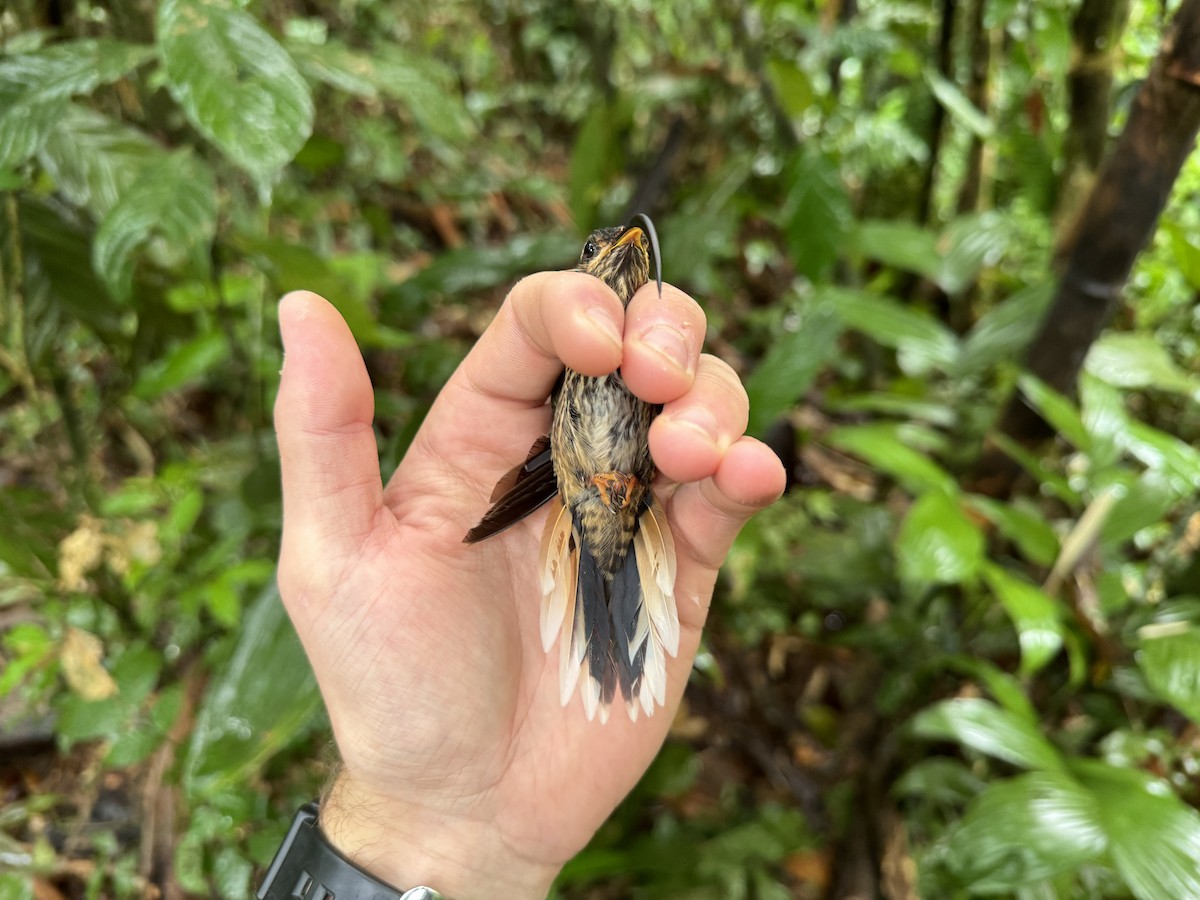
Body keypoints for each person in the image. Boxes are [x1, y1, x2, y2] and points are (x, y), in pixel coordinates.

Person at [270, 272, 786, 899]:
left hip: (613, 494)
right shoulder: (569, 373)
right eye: (599, 253)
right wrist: (418, 820)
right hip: (580, 486)